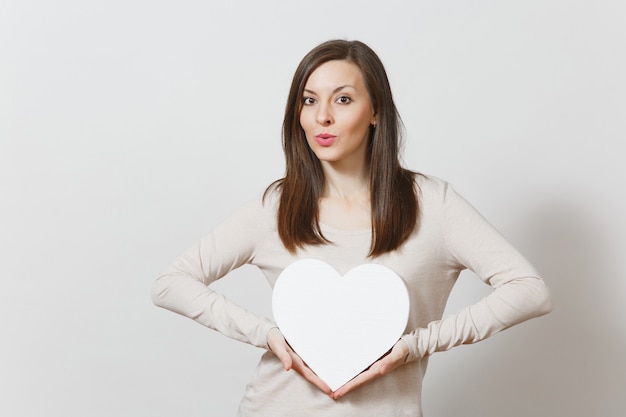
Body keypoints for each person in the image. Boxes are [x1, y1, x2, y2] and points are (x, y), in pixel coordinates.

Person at [151, 39, 552, 417]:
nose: (322, 116)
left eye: (342, 99)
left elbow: (529, 291)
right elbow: (171, 283)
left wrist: (416, 346)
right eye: (309, 101)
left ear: (375, 111)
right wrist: (268, 335)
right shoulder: (277, 205)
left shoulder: (433, 204)